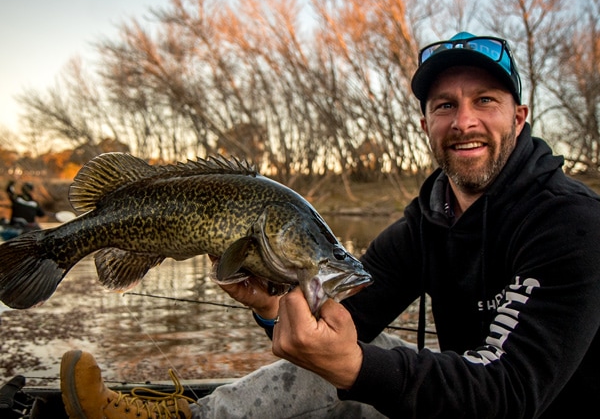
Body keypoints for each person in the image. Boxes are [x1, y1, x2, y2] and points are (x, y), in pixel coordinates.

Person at [58, 31, 600, 418]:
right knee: (344, 348)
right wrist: (274, 309)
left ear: (520, 117)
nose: (464, 121)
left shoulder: (570, 222)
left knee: (361, 363)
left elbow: (510, 396)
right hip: (464, 396)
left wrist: (358, 369)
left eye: (486, 100)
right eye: (444, 105)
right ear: (425, 123)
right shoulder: (425, 223)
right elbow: (347, 315)